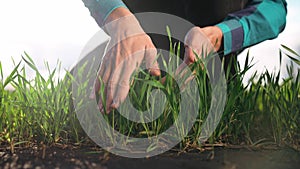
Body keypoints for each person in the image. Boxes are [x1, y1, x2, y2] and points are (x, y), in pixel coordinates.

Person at [82, 0, 287, 113]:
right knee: (79, 101)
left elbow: (274, 6)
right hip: (126, 55)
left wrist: (217, 36)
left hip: (213, 76)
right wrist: (121, 22)